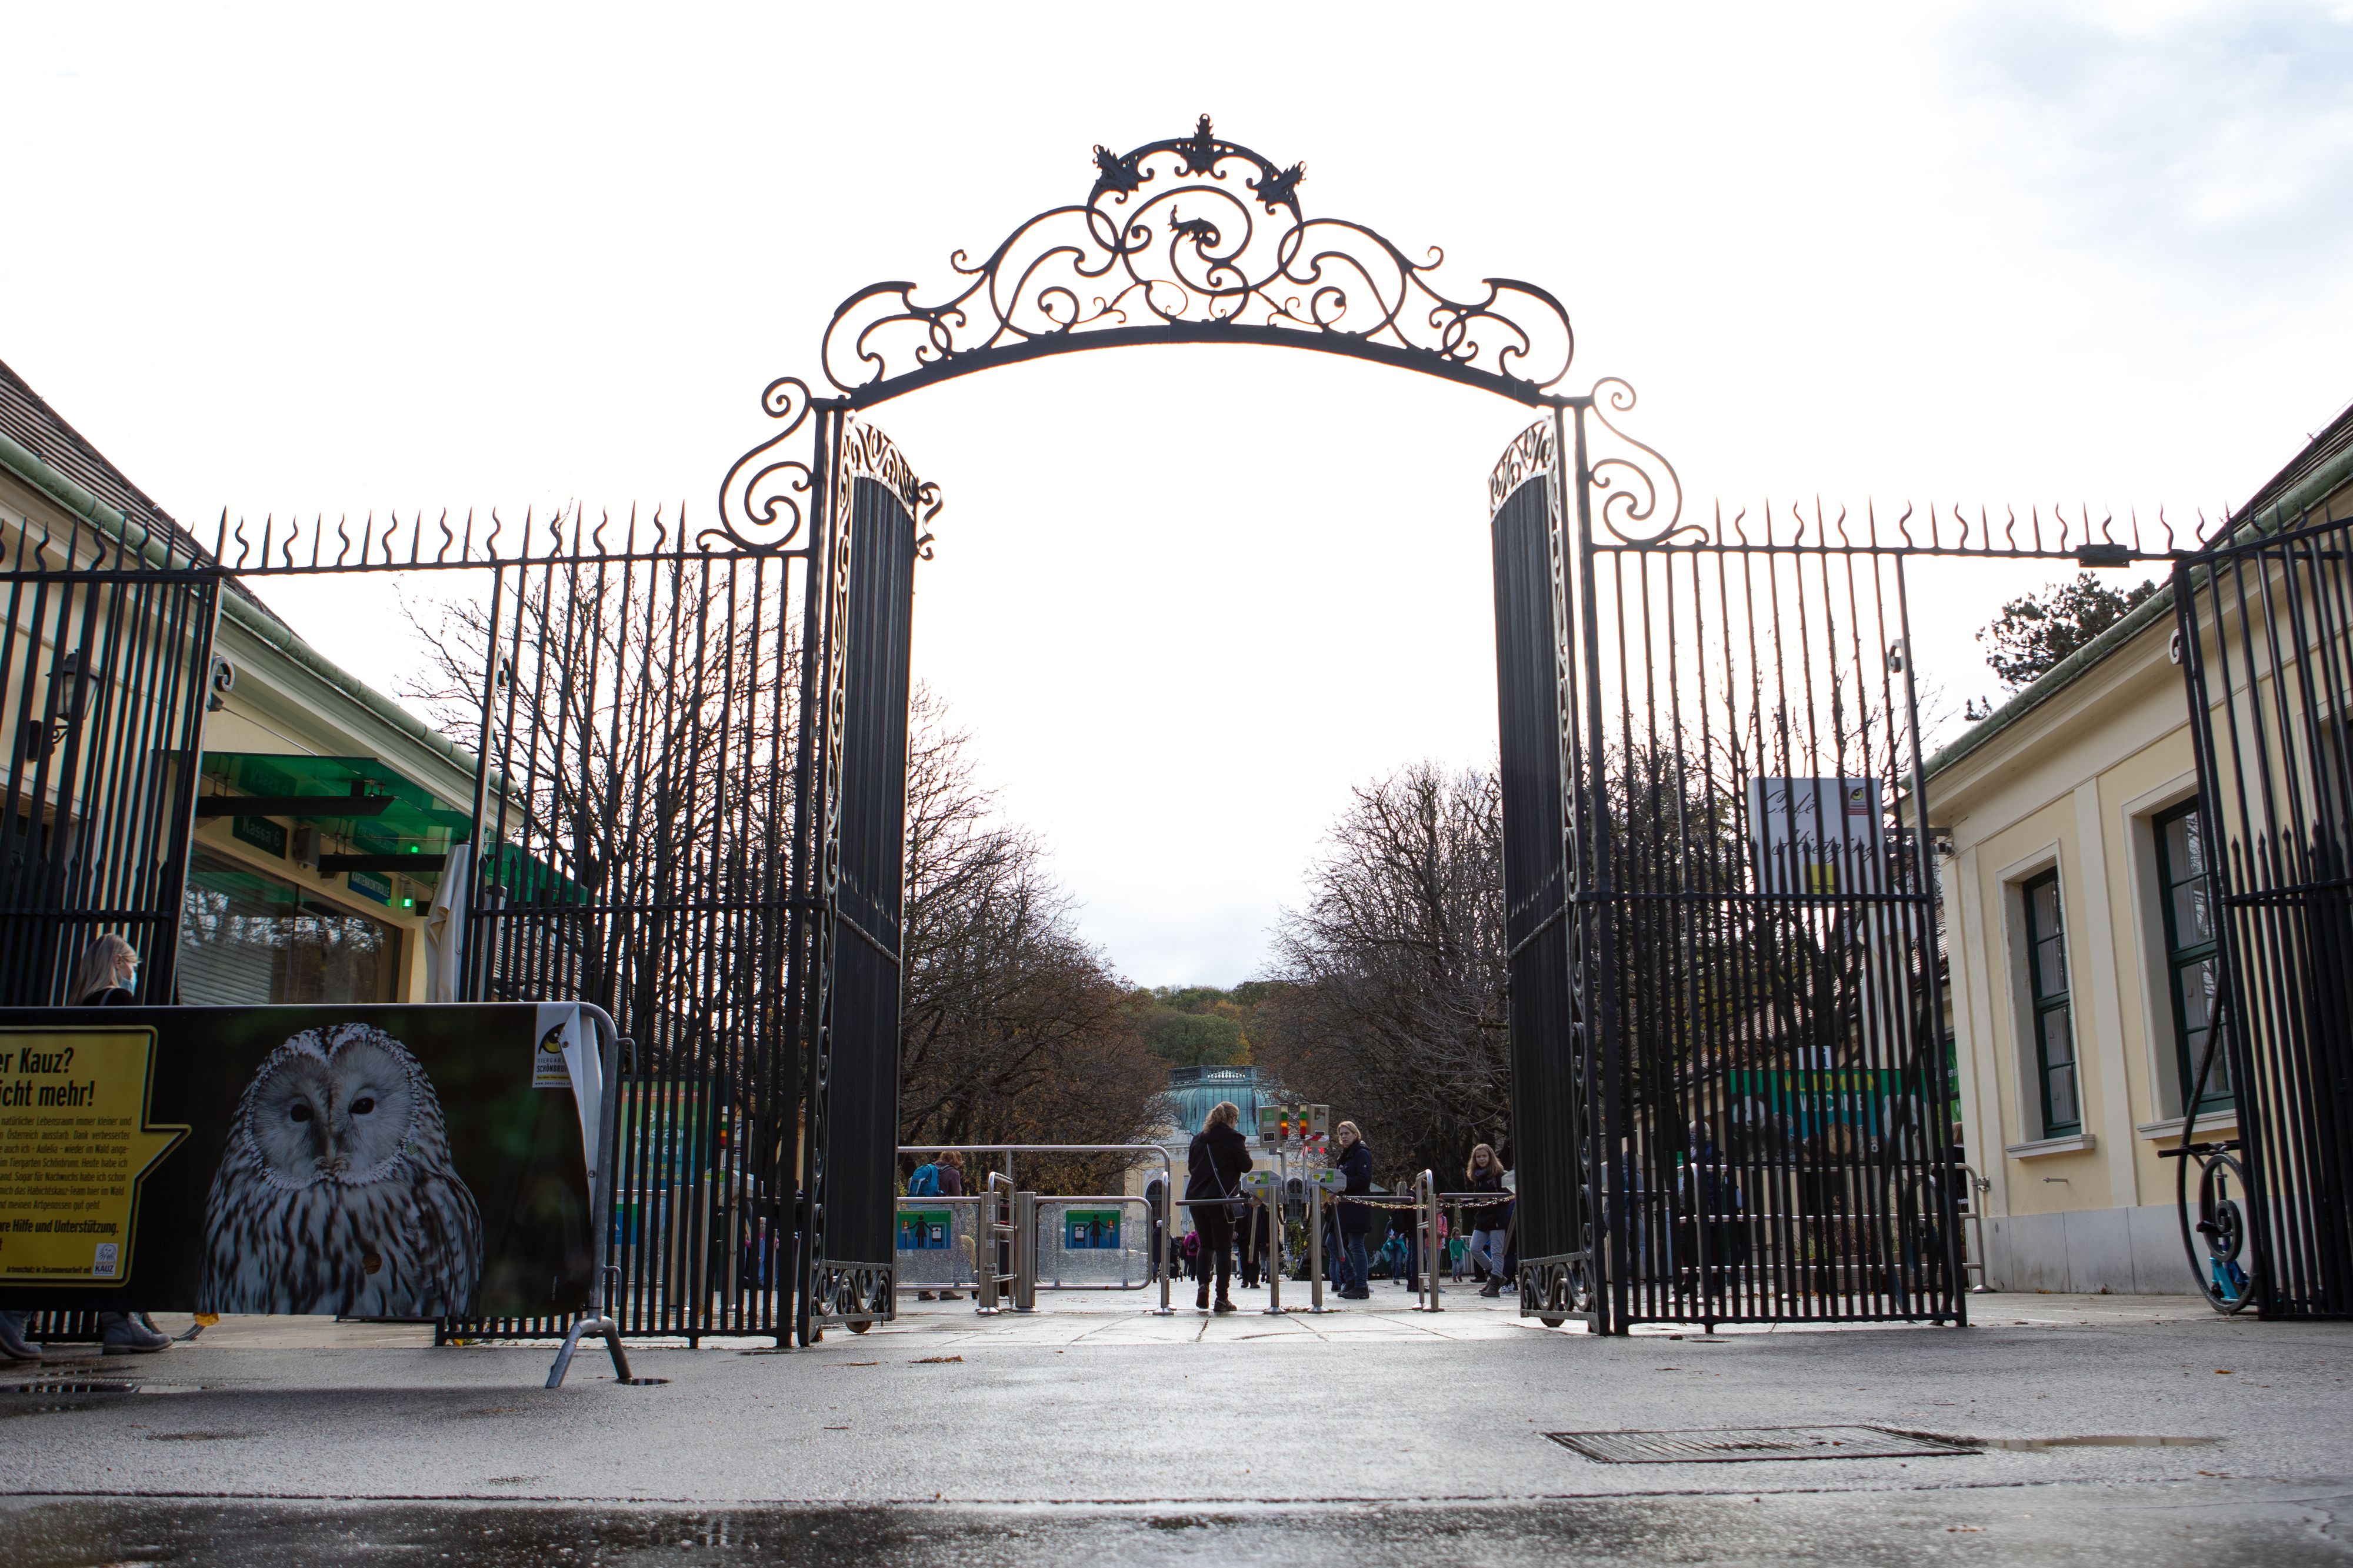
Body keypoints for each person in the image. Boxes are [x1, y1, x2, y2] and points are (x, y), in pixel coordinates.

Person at [44, 937, 170, 1355]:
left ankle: (16, 1314)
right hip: (113, 1132)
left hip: (75, 1129)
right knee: (120, 1228)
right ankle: (119, 1322)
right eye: (132, 964)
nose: (134, 972)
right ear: (119, 962)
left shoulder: (77, 1005)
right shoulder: (120, 1000)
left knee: (66, 1226)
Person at [1184, 1100, 1252, 1313]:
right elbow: (1247, 1166)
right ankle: (1222, 1299)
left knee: (1206, 1245)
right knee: (1223, 1249)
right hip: (1220, 1199)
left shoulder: (1198, 1139)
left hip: (1196, 1199)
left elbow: (1191, 1167)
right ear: (1232, 1119)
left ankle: (1203, 1286)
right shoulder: (1233, 1139)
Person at [1463, 1143, 1511, 1297]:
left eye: (1484, 1156)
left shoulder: (1499, 1175)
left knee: (1497, 1251)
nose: (1482, 1159)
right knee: (1475, 1248)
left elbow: (1509, 1197)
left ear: (1490, 1157)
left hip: (1497, 1217)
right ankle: (1495, 1276)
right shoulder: (1477, 1176)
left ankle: (1495, 1285)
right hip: (1483, 1217)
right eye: (1479, 1157)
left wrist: (1492, 1198)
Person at [1332, 1120, 1374, 1300]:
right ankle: (1351, 1277)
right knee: (1332, 1242)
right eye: (1341, 1134)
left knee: (1356, 1246)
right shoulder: (1346, 1155)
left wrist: (1341, 1185)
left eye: (1347, 1133)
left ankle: (1361, 1285)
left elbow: (1364, 1179)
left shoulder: (1361, 1153)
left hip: (1357, 1205)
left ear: (1355, 1134)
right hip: (1343, 1207)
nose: (1343, 1136)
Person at [934, 1150, 966, 1301]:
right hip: (946, 1215)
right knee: (949, 1251)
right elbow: (957, 1199)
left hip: (928, 1214)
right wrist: (960, 1215)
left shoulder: (933, 1169)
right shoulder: (953, 1173)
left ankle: (923, 1290)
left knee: (930, 1251)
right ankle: (946, 1290)